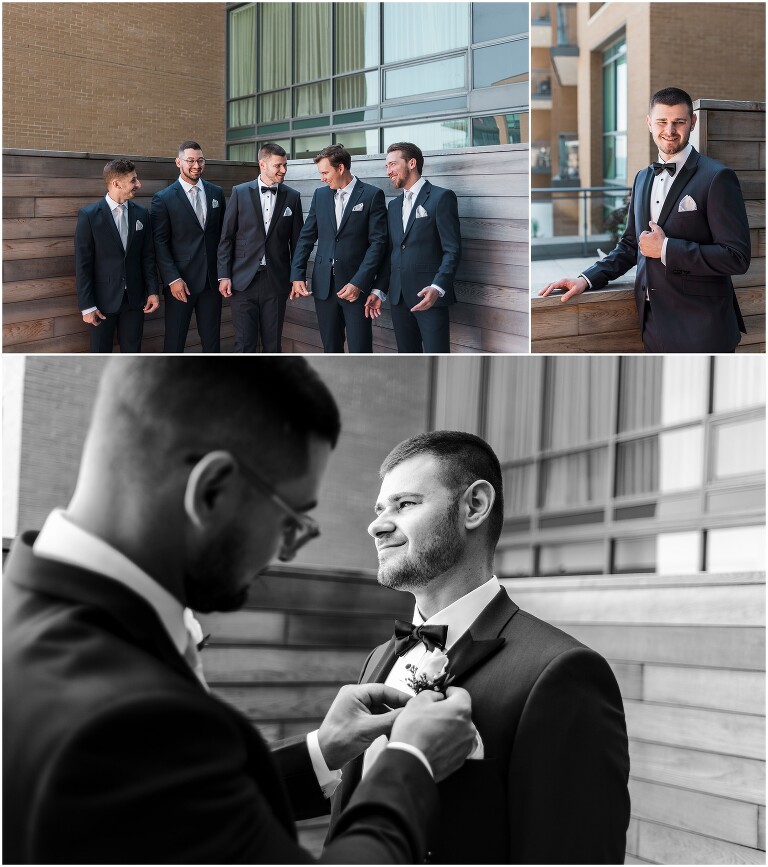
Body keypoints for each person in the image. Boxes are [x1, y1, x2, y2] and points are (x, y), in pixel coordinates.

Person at [3, 358, 476, 864]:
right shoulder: (128, 713)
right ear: (212, 491)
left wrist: (320, 750)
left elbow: (171, 813)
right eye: (291, 522)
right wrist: (409, 764)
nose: (284, 553)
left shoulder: (26, 613)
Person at [327, 431, 631, 864]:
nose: (377, 525)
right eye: (380, 509)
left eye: (405, 504)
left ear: (474, 506)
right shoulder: (378, 660)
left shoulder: (561, 672)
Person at [539, 87, 750, 353]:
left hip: (703, 327)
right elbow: (630, 245)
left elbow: (736, 257)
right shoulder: (642, 178)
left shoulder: (717, 177)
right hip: (653, 325)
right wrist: (586, 279)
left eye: (679, 122)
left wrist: (665, 249)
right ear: (649, 123)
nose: (669, 130)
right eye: (662, 121)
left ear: (693, 122)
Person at [290, 145, 387, 353]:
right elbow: (306, 237)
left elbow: (378, 244)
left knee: (360, 351)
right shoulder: (320, 195)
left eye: (325, 172)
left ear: (341, 168)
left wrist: (359, 283)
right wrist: (297, 274)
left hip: (355, 289)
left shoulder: (372, 195)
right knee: (330, 349)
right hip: (324, 287)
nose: (322, 178)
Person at [371, 142, 461, 353]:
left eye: (392, 164)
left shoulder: (441, 197)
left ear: (412, 163)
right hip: (398, 299)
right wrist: (379, 290)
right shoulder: (393, 206)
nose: (388, 171)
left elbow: (452, 250)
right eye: (386, 166)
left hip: (429, 297)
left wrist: (437, 287)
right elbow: (393, 253)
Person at [217, 143, 304, 352]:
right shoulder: (239, 192)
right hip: (242, 281)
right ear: (262, 164)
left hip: (276, 282)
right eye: (278, 166)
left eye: (285, 165)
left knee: (273, 344)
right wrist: (224, 275)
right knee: (244, 343)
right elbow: (226, 237)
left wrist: (297, 276)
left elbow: (298, 242)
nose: (283, 170)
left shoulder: (292, 197)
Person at [74, 158, 159, 352]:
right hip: (101, 302)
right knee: (100, 353)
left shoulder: (142, 213)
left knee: (132, 354)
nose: (138, 184)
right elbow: (83, 264)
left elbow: (147, 256)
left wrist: (153, 291)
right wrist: (87, 306)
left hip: (135, 300)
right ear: (116, 184)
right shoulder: (89, 216)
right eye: (133, 180)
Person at [151, 140, 226, 353]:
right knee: (175, 341)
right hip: (180, 284)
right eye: (190, 160)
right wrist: (173, 279)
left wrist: (223, 274)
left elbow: (222, 237)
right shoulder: (163, 199)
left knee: (212, 342)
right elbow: (160, 243)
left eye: (200, 160)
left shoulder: (216, 193)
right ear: (178, 162)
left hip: (212, 282)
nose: (196, 165)